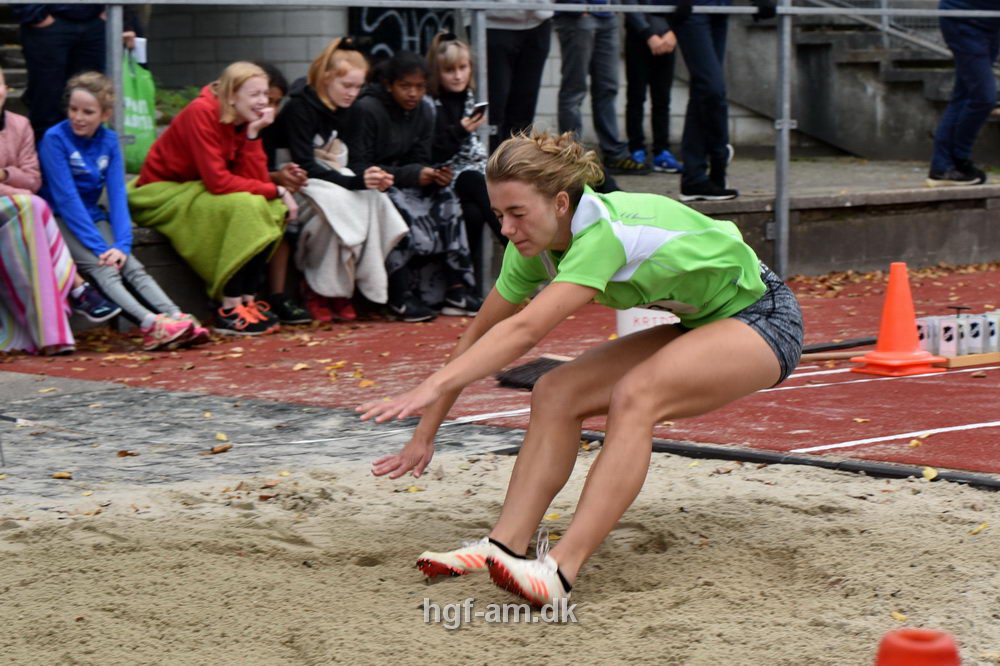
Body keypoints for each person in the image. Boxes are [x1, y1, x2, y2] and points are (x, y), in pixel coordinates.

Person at [358, 131, 803, 607]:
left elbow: (526, 331)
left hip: (765, 319)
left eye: (517, 214)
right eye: (499, 215)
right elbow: (477, 338)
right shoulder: (533, 244)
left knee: (636, 396)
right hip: (702, 320)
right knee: (555, 391)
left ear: (562, 203)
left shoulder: (604, 234)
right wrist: (425, 432)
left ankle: (559, 571)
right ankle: (503, 546)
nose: (506, 229)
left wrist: (430, 386)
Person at [38, 72, 206, 352]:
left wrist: (122, 245)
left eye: (87, 112)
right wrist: (102, 248)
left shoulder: (109, 141)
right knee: (105, 268)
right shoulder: (54, 139)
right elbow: (67, 201)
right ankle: (152, 324)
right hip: (58, 220)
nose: (78, 117)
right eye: (73, 109)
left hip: (93, 215)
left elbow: (117, 196)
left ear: (105, 114)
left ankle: (178, 317)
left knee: (132, 266)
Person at [128, 61, 299, 336]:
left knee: (269, 206)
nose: (263, 102)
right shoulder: (202, 112)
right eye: (255, 94)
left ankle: (247, 298)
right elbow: (218, 182)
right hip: (163, 191)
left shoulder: (243, 119)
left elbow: (253, 179)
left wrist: (254, 134)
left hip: (197, 188)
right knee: (247, 205)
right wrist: (279, 190)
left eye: (265, 95)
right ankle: (228, 305)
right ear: (231, 95)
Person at [272, 37, 407, 322]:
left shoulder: (354, 110)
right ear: (325, 78)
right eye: (346, 86)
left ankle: (343, 288)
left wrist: (368, 177)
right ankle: (319, 289)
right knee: (331, 211)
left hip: (332, 178)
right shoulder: (299, 108)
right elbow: (305, 163)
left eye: (358, 87)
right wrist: (354, 182)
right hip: (295, 179)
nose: (352, 94)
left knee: (374, 199)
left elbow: (356, 159)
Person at [351, 50, 479, 322]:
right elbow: (360, 165)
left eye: (419, 87)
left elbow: (421, 158)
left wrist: (433, 174)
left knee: (445, 195)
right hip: (376, 184)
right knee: (398, 203)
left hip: (407, 180)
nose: (413, 94)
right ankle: (400, 294)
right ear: (389, 85)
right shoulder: (367, 109)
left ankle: (457, 289)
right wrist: (413, 175)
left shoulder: (425, 110)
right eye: (405, 86)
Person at [0, 67, 121, 354]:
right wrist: (17, 187)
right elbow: (28, 187)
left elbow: (33, 179)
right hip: (21, 206)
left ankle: (56, 327)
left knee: (33, 210)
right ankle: (76, 290)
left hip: (16, 212)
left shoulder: (19, 124)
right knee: (35, 206)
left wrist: (5, 175)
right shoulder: (55, 138)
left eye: (0, 83)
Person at [662, 0, 775, 201]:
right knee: (712, 89)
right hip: (691, 9)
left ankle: (694, 179)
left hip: (719, 8)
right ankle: (719, 156)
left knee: (702, 93)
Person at [427, 31, 504, 291]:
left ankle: (466, 288)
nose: (458, 75)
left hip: (475, 173)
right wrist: (461, 130)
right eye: (450, 70)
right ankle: (514, 245)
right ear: (438, 72)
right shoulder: (431, 104)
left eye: (463, 67)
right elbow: (435, 153)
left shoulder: (471, 99)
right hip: (444, 175)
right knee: (476, 181)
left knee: (473, 212)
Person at [553, 0, 649, 175]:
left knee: (608, 88)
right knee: (575, 89)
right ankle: (571, 155)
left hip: (607, 14)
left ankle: (614, 154)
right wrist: (578, 8)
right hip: (577, 14)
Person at [927, 0, 1000, 187]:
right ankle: (959, 158)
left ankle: (942, 167)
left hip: (989, 23)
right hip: (963, 20)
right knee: (984, 98)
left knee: (964, 95)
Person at [485, 0, 554, 152]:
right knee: (494, 106)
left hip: (539, 19)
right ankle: (493, 165)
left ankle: (516, 164)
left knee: (525, 105)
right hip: (492, 19)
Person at [623, 0, 683, 173]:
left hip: (667, 37)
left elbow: (684, 6)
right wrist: (648, 34)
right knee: (636, 96)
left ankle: (662, 152)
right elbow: (629, 4)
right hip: (638, 37)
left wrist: (674, 32)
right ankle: (636, 150)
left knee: (662, 98)